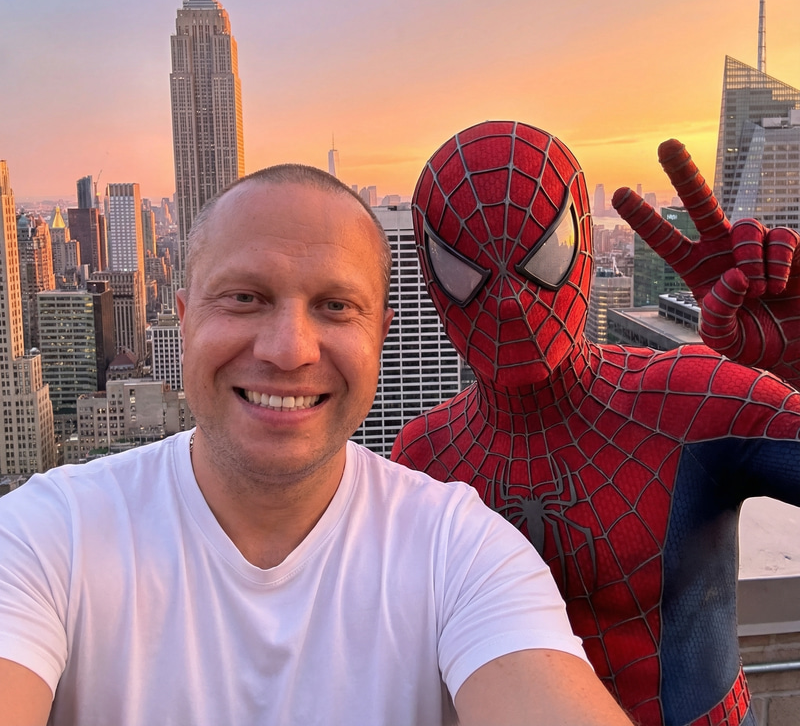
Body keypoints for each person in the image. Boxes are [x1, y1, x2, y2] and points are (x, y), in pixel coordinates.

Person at [0, 164, 632, 726]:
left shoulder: (462, 552)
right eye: (245, 298)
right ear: (186, 318)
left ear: (381, 335)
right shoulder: (47, 538)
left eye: (334, 306)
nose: (288, 349)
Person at [392, 121, 800, 726]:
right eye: (465, 271)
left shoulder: (689, 399)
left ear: (580, 244)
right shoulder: (423, 454)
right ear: (430, 275)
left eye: (542, 258)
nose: (507, 299)